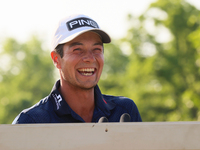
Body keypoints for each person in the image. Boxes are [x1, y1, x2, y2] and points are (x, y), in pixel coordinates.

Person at [12, 14, 142, 124]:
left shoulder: (125, 110)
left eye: (96, 50)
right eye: (77, 50)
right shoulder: (31, 121)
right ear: (56, 59)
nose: (90, 58)